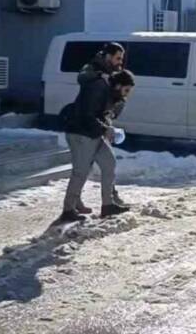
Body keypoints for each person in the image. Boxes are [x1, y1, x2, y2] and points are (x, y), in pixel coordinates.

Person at [56, 69, 136, 225]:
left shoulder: (112, 95)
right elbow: (87, 115)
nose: (127, 94)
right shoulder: (98, 89)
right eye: (126, 90)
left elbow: (102, 115)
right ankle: (68, 210)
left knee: (109, 163)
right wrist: (105, 128)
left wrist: (108, 127)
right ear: (118, 85)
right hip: (80, 134)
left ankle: (108, 205)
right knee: (81, 172)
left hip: (94, 134)